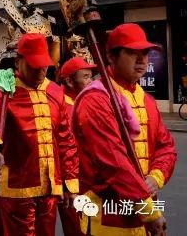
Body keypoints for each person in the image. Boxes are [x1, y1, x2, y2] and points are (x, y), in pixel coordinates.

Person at [72, 23, 176, 236]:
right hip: (107, 214)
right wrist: (149, 211)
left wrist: (155, 178)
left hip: (143, 206)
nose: (142, 60)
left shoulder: (147, 100)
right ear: (111, 57)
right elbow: (113, 161)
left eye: (145, 53)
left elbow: (166, 146)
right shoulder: (96, 99)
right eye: (132, 53)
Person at [0, 33, 79, 236]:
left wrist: (69, 182)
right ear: (18, 61)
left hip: (50, 189)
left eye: (44, 65)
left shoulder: (55, 91)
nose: (41, 71)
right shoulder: (3, 88)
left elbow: (66, 140)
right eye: (34, 65)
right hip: (17, 188)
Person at [56, 56, 96, 236]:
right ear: (70, 81)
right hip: (73, 184)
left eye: (91, 76)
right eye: (86, 77)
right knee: (77, 228)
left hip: (91, 181)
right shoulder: (62, 106)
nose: (91, 81)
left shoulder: (86, 100)